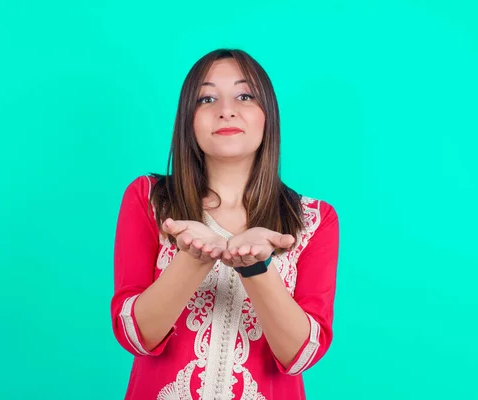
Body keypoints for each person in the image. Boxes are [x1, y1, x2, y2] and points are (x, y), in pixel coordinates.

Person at [111, 48, 340, 400]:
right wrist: (193, 258)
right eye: (207, 98)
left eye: (245, 95)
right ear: (188, 119)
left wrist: (256, 269)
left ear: (269, 116)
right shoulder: (150, 199)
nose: (226, 109)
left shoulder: (313, 219)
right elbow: (135, 335)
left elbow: (301, 355)